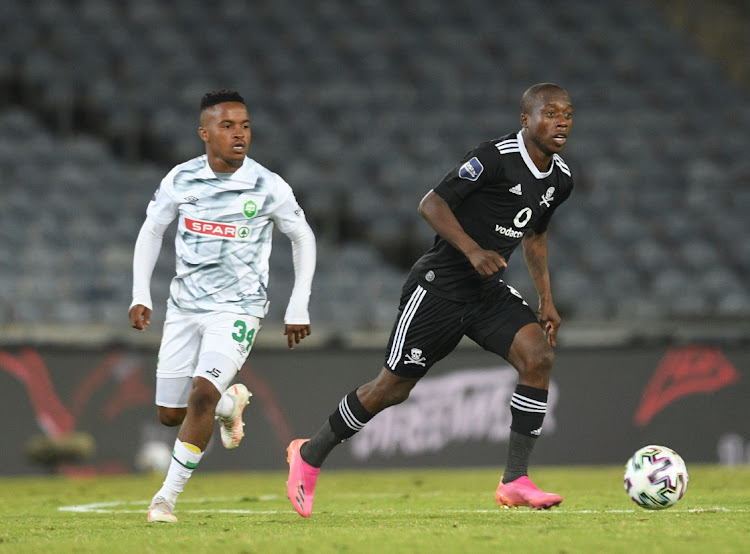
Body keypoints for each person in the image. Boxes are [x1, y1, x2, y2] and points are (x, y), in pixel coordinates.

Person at [286, 83, 573, 517]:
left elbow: (535, 236)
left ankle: (514, 480)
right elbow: (431, 203)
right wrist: (472, 250)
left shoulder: (560, 179)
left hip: (486, 291)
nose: (562, 121)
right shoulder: (494, 157)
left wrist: (546, 299)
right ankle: (309, 455)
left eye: (567, 113)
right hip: (439, 287)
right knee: (390, 390)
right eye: (550, 113)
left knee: (538, 357)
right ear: (526, 120)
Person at [129, 89, 316, 523]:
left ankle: (165, 499)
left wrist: (298, 304)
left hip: (238, 308)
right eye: (228, 126)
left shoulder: (268, 185)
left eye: (245, 126)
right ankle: (231, 405)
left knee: (201, 395)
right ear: (204, 134)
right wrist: (141, 293)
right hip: (184, 308)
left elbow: (302, 236)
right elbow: (151, 231)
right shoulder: (181, 179)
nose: (239, 135)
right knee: (169, 415)